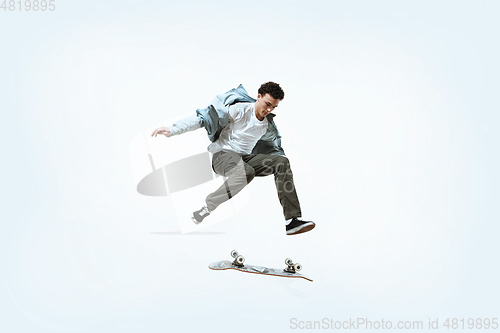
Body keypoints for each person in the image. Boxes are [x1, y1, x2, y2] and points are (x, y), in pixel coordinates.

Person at [151, 82, 315, 235]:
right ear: (259, 96)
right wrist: (173, 129)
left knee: (282, 162)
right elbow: (205, 118)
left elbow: (276, 149)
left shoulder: (268, 126)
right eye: (267, 104)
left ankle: (292, 220)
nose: (269, 110)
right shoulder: (240, 109)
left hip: (245, 158)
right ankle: (208, 207)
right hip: (223, 156)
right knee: (246, 171)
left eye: (273, 107)